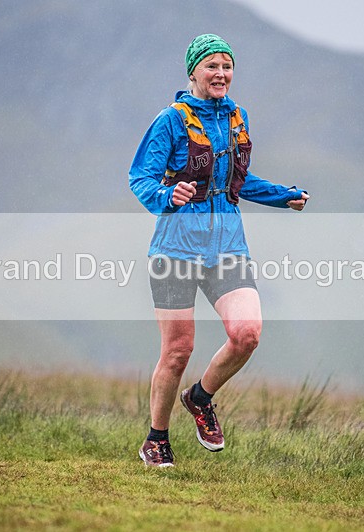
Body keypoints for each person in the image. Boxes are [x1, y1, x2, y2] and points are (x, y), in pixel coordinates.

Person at [129, 34, 309, 467]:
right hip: (175, 249)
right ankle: (156, 440)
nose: (221, 74)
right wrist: (168, 196)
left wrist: (282, 196)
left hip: (227, 246)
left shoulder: (237, 117)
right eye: (212, 66)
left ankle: (200, 398)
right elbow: (140, 178)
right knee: (177, 351)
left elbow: (237, 182)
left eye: (227, 66)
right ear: (193, 71)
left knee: (247, 334)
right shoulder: (170, 120)